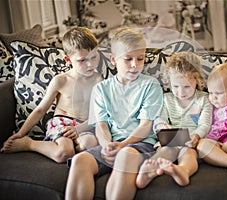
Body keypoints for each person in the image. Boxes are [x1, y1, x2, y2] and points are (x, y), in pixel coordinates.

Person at [64, 27, 163, 200]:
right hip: (112, 145)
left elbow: (146, 125)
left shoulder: (150, 85)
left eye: (140, 58)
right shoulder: (101, 89)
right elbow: (101, 125)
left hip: (140, 146)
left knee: (125, 156)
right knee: (80, 161)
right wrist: (106, 146)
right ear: (113, 59)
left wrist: (124, 144)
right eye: (128, 59)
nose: (135, 64)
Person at [0, 27, 103, 163]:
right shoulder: (61, 80)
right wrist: (20, 133)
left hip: (84, 125)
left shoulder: (99, 79)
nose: (90, 64)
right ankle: (29, 144)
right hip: (62, 122)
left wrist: (80, 128)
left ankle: (77, 150)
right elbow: (40, 110)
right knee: (63, 153)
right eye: (82, 60)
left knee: (90, 144)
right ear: (68, 59)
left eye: (93, 57)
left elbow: (99, 112)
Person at [136, 51, 213, 188]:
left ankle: (183, 171)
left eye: (187, 87)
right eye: (175, 87)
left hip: (190, 142)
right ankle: (150, 171)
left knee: (188, 153)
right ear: (169, 82)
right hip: (171, 141)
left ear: (197, 80)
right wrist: (162, 127)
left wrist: (196, 136)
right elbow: (159, 119)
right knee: (166, 150)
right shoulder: (166, 99)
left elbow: (205, 124)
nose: (181, 92)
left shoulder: (204, 99)